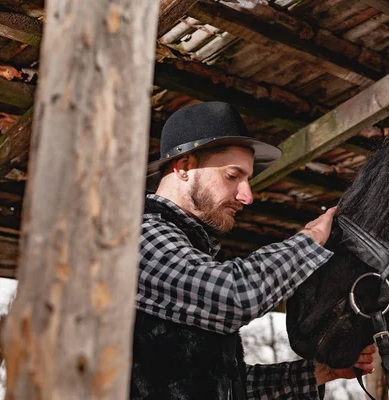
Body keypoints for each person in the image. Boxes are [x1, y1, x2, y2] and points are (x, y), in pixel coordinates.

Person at [131, 102, 376, 399]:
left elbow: (225, 386)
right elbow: (234, 295)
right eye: (232, 176)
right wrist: (308, 240)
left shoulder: (189, 252)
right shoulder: (140, 238)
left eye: (248, 179)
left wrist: (324, 372)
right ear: (184, 167)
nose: (247, 196)